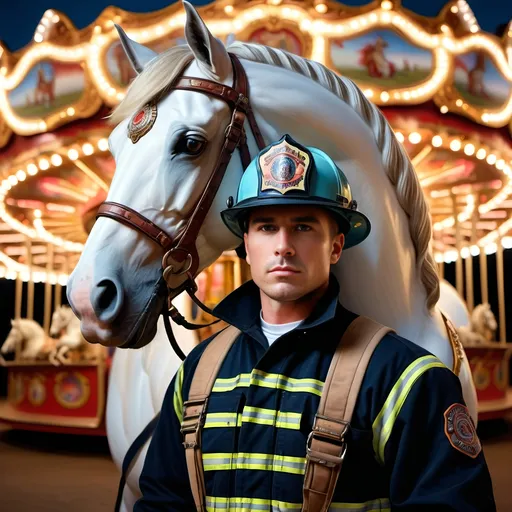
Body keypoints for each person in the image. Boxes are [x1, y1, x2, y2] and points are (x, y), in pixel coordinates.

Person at [134, 135, 496, 511]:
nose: (283, 246)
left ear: (336, 246)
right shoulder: (196, 374)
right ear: (246, 243)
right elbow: (163, 502)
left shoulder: (406, 379)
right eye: (267, 227)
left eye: (304, 227)